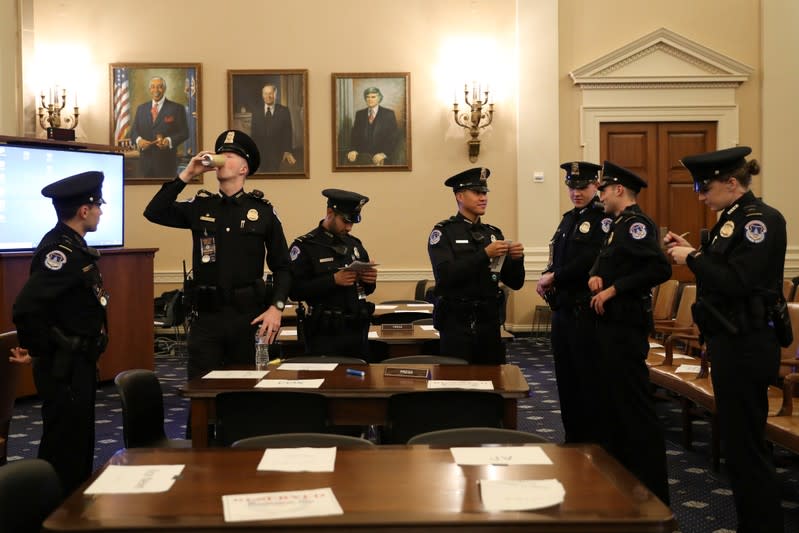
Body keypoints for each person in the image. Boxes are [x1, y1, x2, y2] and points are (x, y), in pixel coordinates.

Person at [665, 146, 785, 532]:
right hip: (730, 342)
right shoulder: (732, 218)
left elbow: (739, 281)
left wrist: (693, 259)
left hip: (747, 343)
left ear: (731, 183)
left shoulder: (759, 221)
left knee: (748, 449)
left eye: (705, 186)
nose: (700, 195)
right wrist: (695, 254)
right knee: (736, 446)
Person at [143, 130, 291, 381]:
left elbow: (284, 267)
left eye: (230, 155)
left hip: (247, 318)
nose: (221, 158)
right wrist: (188, 173)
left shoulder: (262, 212)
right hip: (206, 318)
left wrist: (276, 308)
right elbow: (154, 212)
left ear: (244, 168)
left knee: (243, 391)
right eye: (220, 153)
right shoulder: (200, 206)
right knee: (201, 391)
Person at [11, 171, 109, 495]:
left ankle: (72, 508)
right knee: (63, 445)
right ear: (84, 210)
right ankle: (52, 512)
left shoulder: (73, 246)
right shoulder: (60, 253)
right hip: (63, 366)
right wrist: (39, 351)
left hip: (76, 362)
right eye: (98, 206)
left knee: (78, 441)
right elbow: (26, 307)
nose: (101, 211)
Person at [587, 161, 672, 504]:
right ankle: (622, 479)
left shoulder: (636, 224)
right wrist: (596, 274)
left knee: (634, 408)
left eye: (603, 190)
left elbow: (659, 267)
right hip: (612, 325)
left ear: (619, 190)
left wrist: (614, 289)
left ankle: (651, 490)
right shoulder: (619, 224)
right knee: (616, 404)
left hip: (626, 325)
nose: (600, 195)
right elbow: (612, 258)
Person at [536, 161, 611, 443]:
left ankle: (592, 443)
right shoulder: (569, 218)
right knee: (566, 379)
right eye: (571, 186)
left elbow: (590, 260)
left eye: (582, 186)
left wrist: (555, 277)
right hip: (563, 309)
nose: (576, 192)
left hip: (584, 310)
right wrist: (547, 275)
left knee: (587, 380)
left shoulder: (603, 217)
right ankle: (573, 438)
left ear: (596, 186)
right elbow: (558, 257)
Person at [428, 167, 525, 364]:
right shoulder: (444, 233)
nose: (483, 198)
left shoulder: (493, 233)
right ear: (460, 196)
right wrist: (484, 255)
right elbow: (445, 275)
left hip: (488, 321)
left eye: (484, 193)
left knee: (492, 380)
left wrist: (517, 259)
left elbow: (515, 282)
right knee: (456, 380)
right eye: (477, 193)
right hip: (457, 321)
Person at [289, 189, 377, 358]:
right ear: (330, 213)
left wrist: (369, 280)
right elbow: (294, 291)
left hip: (356, 328)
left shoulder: (355, 245)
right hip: (324, 331)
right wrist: (333, 280)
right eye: (345, 221)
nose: (349, 227)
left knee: (359, 379)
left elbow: (366, 291)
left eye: (353, 222)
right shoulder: (305, 246)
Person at [130, 76, 190, 177]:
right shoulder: (141, 109)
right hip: (145, 164)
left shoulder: (177, 108)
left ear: (164, 89)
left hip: (167, 164)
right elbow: (134, 132)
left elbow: (184, 133)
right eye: (153, 87)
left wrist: (169, 140)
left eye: (159, 87)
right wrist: (139, 140)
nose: (156, 90)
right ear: (150, 89)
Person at [249, 83, 297, 172]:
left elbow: (288, 132)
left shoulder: (284, 110)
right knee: (262, 174)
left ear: (275, 95)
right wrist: (253, 151)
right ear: (262, 95)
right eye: (266, 93)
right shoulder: (256, 110)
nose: (268, 96)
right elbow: (254, 132)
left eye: (271, 93)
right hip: (260, 151)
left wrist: (287, 150)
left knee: (274, 174)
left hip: (277, 151)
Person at [346, 86, 398, 166]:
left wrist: (384, 154)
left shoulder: (389, 114)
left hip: (381, 158)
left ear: (379, 98)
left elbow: (393, 138)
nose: (369, 99)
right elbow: (355, 136)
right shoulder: (359, 114)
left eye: (373, 97)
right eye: (367, 97)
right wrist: (353, 150)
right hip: (362, 157)